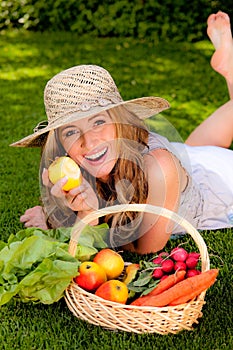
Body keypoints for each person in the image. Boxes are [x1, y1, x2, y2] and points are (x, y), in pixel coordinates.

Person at [13, 11, 233, 254]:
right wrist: (56, 207)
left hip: (223, 181)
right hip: (188, 157)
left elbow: (145, 247)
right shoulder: (75, 165)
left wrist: (85, 216)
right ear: (62, 143)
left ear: (120, 123)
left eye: (98, 122)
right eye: (71, 131)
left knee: (203, 159)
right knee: (195, 150)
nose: (89, 141)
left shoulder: (159, 169)